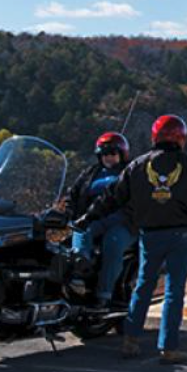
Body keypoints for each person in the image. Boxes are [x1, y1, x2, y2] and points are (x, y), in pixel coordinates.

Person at [77, 114, 187, 364]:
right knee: (173, 292)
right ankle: (168, 348)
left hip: (149, 235)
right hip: (181, 236)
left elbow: (112, 197)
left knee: (143, 287)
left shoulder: (137, 166)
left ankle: (130, 341)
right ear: (181, 137)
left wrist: (88, 218)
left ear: (154, 136)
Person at [62, 131, 134, 311]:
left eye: (113, 154)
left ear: (121, 155)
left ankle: (104, 295)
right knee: (81, 229)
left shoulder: (130, 173)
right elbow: (73, 194)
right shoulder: (90, 173)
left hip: (122, 221)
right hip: (93, 218)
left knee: (113, 242)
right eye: (104, 154)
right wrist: (66, 211)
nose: (108, 158)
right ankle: (80, 269)